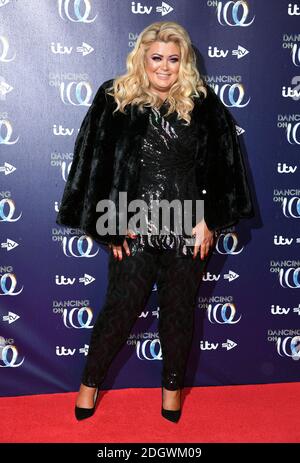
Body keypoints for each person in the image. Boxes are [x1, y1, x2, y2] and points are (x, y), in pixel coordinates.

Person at [56, 21, 254, 423]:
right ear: (142, 60)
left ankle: (171, 394)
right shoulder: (115, 96)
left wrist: (210, 220)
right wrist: (106, 223)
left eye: (173, 59)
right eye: (157, 58)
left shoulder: (204, 102)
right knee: (119, 310)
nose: (165, 67)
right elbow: (92, 163)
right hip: (133, 224)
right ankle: (89, 386)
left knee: (179, 314)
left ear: (184, 63)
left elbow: (223, 168)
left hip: (186, 226)